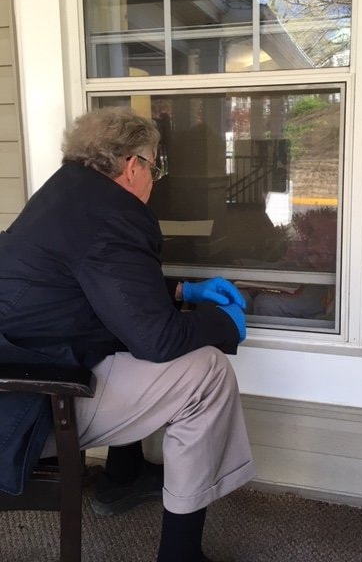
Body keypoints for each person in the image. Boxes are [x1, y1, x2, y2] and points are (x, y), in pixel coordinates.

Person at [0, 107, 255, 562]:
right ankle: (180, 554)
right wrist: (223, 325)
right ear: (132, 165)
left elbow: (102, 286)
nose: (154, 179)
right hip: (27, 404)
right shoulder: (114, 214)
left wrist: (181, 288)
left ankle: (123, 474)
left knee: (126, 340)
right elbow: (156, 338)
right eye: (155, 167)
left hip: (21, 370)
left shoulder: (64, 193)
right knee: (207, 373)